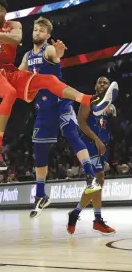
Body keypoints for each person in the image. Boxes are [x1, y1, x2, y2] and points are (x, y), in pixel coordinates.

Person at [0, 0, 118, 171]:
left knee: (49, 80)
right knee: (10, 93)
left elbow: (15, 39)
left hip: (9, 71)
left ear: (4, 12)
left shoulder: (14, 25)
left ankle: (90, 100)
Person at [18, 17, 117, 218]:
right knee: (39, 150)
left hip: (60, 102)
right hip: (43, 108)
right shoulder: (28, 56)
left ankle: (90, 177)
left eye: (41, 31)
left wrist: (59, 53)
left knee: (72, 134)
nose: (37, 33)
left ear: (47, 35)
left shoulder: (49, 50)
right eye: (35, 30)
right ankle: (40, 194)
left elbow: (56, 55)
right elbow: (18, 77)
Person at [67, 77, 117, 235]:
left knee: (98, 183)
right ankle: (97, 219)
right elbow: (81, 123)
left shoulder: (109, 105)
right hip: (89, 144)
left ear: (109, 87)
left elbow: (108, 125)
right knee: (97, 180)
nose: (102, 84)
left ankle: (76, 213)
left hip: (102, 145)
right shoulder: (88, 100)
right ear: (95, 85)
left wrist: (113, 113)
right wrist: (96, 140)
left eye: (105, 83)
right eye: (99, 82)